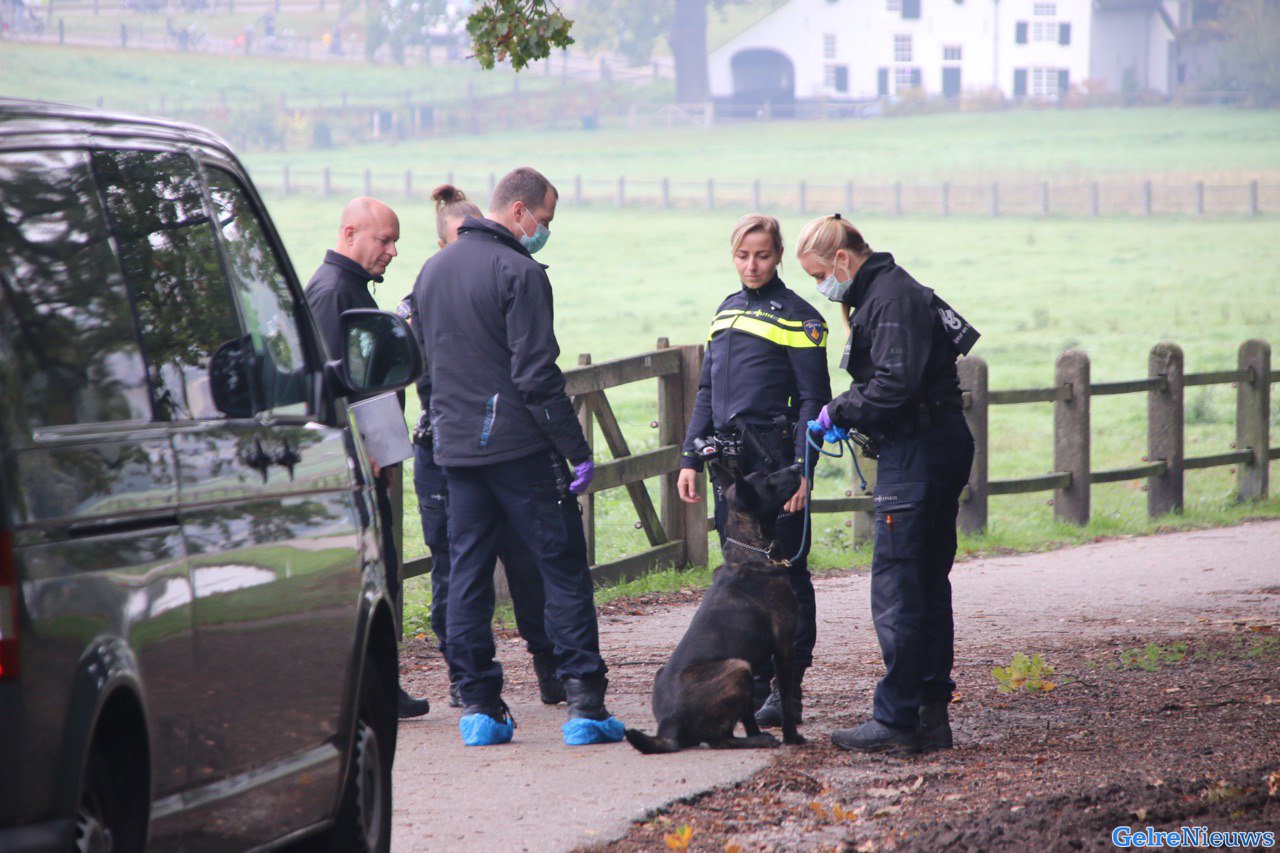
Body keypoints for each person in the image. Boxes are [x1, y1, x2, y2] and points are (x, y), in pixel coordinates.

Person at [410, 166, 624, 747]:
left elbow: (426, 372)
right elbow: (535, 376)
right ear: (521, 211)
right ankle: (585, 702)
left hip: (456, 454)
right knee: (562, 569)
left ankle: (479, 706)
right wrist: (575, 450)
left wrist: (445, 435)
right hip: (518, 450)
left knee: (467, 575)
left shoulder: (431, 272)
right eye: (545, 220)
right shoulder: (520, 272)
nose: (544, 230)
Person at [796, 214, 978, 755]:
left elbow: (895, 383)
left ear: (844, 262)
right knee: (924, 583)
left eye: (818, 276)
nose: (821, 288)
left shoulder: (891, 299)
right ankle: (928, 715)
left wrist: (839, 409)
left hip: (918, 452)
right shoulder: (887, 292)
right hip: (933, 444)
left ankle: (897, 718)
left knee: (900, 586)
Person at [397, 184, 564, 709]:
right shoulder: (422, 293)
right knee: (456, 566)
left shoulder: (491, 276)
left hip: (484, 440)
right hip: (448, 446)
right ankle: (464, 677)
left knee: (519, 563)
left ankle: (542, 668)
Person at [676, 213, 831, 728]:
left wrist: (803, 471)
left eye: (762, 255)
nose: (752, 265)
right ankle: (753, 682)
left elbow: (814, 397)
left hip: (777, 470)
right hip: (733, 477)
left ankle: (788, 692)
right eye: (743, 255)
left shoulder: (801, 316)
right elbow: (705, 392)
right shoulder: (725, 312)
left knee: (786, 578)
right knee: (741, 581)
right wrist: (690, 459)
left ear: (778, 255)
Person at [304, 196, 431, 720]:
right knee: (368, 576)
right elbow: (337, 388)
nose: (394, 251)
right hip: (351, 466)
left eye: (396, 241)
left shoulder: (350, 289)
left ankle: (378, 685)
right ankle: (367, 690)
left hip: (368, 458)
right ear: (350, 233)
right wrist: (365, 450)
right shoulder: (333, 293)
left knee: (381, 572)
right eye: (385, 240)